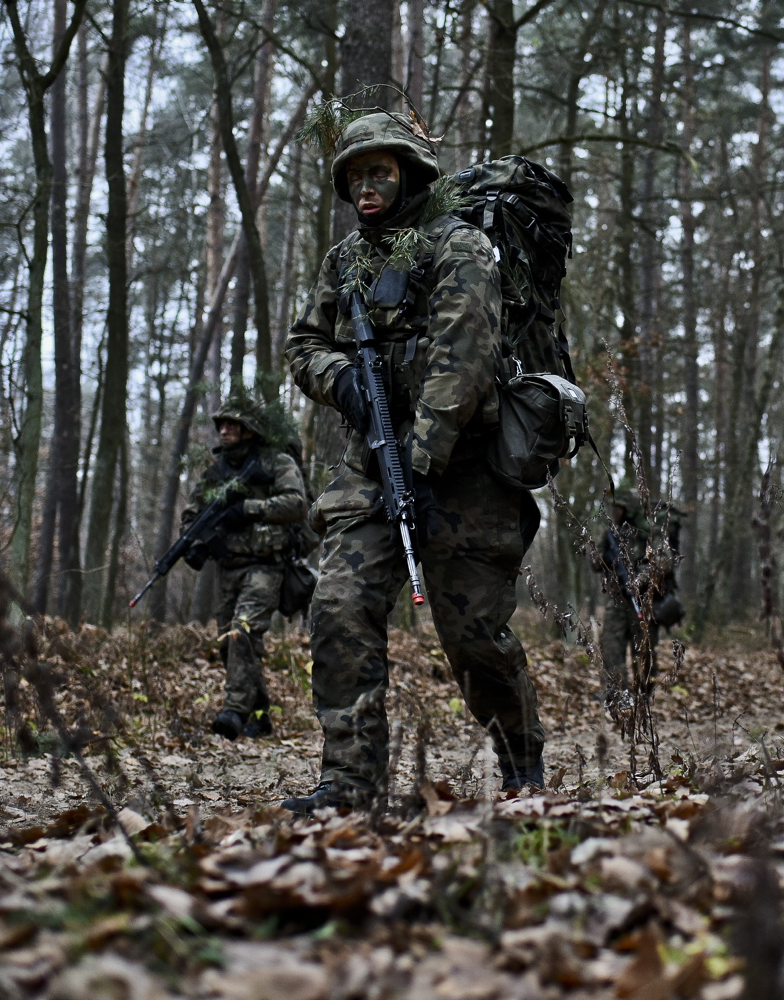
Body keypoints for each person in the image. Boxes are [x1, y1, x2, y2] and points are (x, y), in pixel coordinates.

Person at [281, 112, 545, 814]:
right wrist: (343, 382)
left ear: (410, 174)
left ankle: (522, 762)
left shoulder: (458, 247)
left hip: (463, 472)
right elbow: (304, 344)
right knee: (338, 605)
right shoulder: (346, 262)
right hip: (372, 467)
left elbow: (463, 363)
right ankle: (349, 778)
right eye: (355, 177)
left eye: (380, 173)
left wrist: (421, 464)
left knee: (472, 638)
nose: (366, 188)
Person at [181, 398, 308, 740]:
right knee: (231, 645)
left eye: (233, 425)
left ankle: (234, 713)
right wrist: (196, 541)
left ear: (250, 430)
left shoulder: (276, 462)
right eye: (221, 425)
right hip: (228, 568)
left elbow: (297, 503)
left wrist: (248, 508)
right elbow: (192, 515)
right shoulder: (215, 471)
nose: (225, 431)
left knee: (242, 633)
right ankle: (261, 715)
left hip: (266, 565)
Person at [595, 483, 681, 700]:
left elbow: (663, 560)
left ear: (628, 509)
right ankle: (616, 692)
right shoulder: (611, 534)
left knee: (643, 650)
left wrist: (639, 578)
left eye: (619, 508)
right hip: (618, 597)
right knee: (610, 644)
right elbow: (595, 563)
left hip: (645, 599)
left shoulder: (649, 529)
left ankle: (644, 694)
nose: (614, 513)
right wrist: (600, 555)